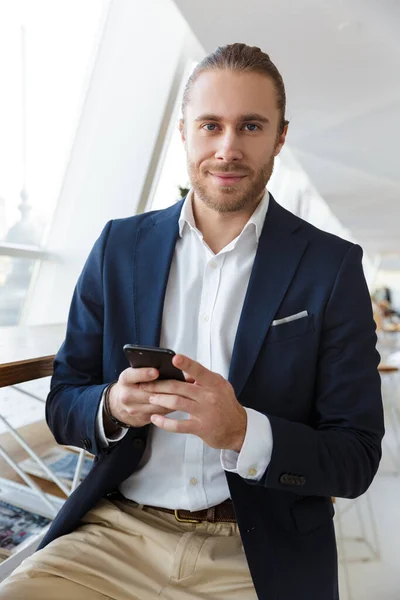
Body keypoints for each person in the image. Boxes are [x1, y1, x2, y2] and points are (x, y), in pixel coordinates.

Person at [0, 43, 384, 600]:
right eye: (211, 125)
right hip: (114, 535)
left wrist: (242, 432)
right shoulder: (118, 247)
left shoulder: (332, 266)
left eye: (251, 126)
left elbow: (356, 456)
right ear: (184, 131)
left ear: (279, 136)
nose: (228, 148)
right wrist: (111, 406)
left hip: (254, 555)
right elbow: (65, 402)